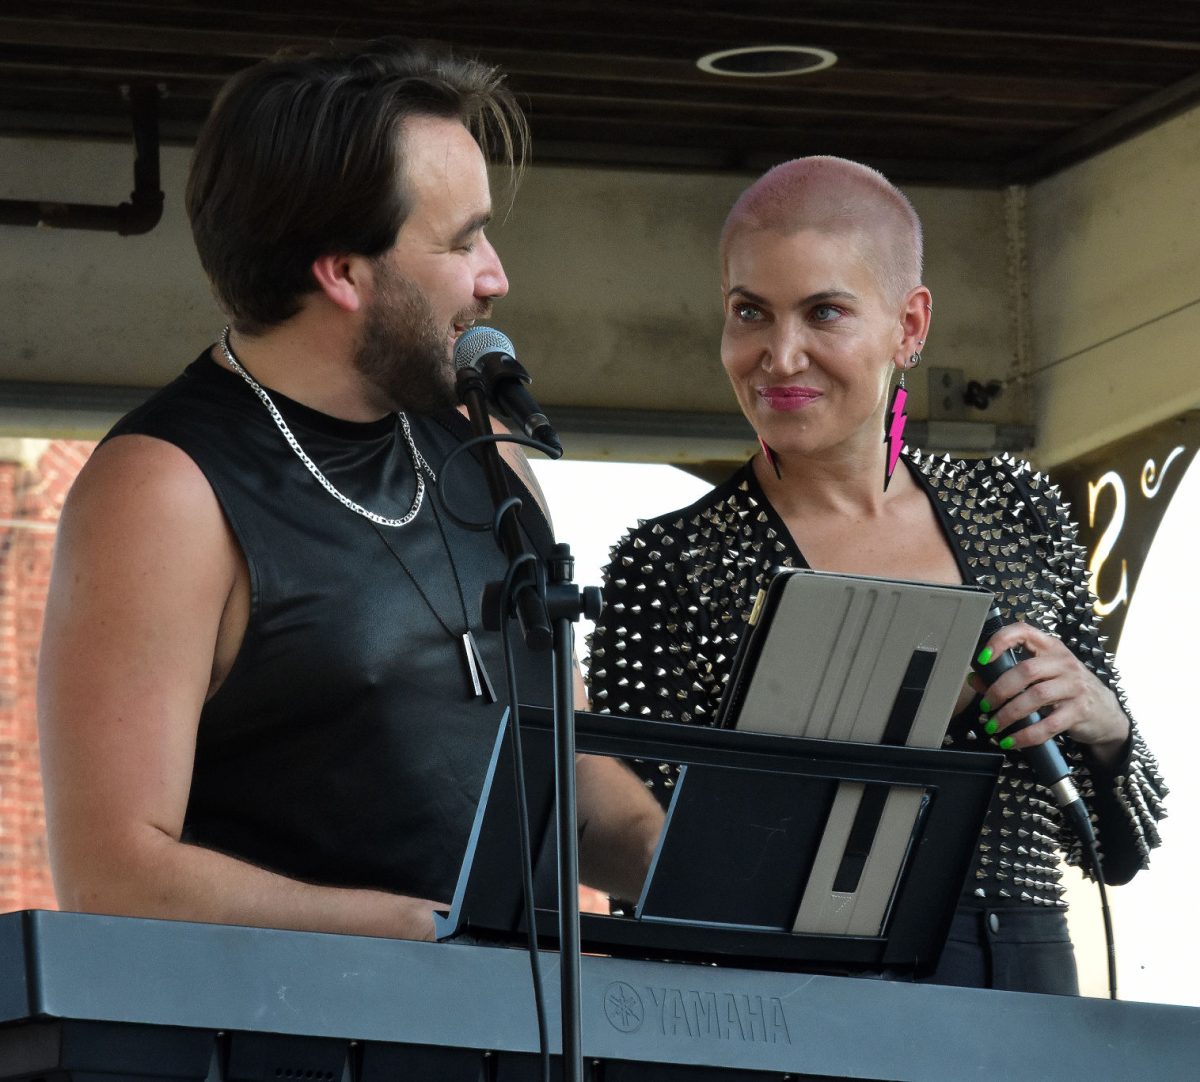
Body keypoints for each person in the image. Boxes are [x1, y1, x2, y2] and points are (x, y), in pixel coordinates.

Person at [38, 38, 661, 941]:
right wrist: (421, 939)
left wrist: (696, 871)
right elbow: (113, 877)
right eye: (462, 240)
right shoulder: (165, 487)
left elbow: (565, 779)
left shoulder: (486, 449)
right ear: (342, 273)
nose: (497, 276)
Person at [587, 156, 1167, 993]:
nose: (780, 356)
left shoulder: (1016, 507)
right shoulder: (671, 563)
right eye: (750, 312)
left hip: (1023, 971)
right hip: (796, 991)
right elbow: (647, 866)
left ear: (910, 324)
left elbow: (1120, 847)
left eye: (824, 312)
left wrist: (1103, 721)